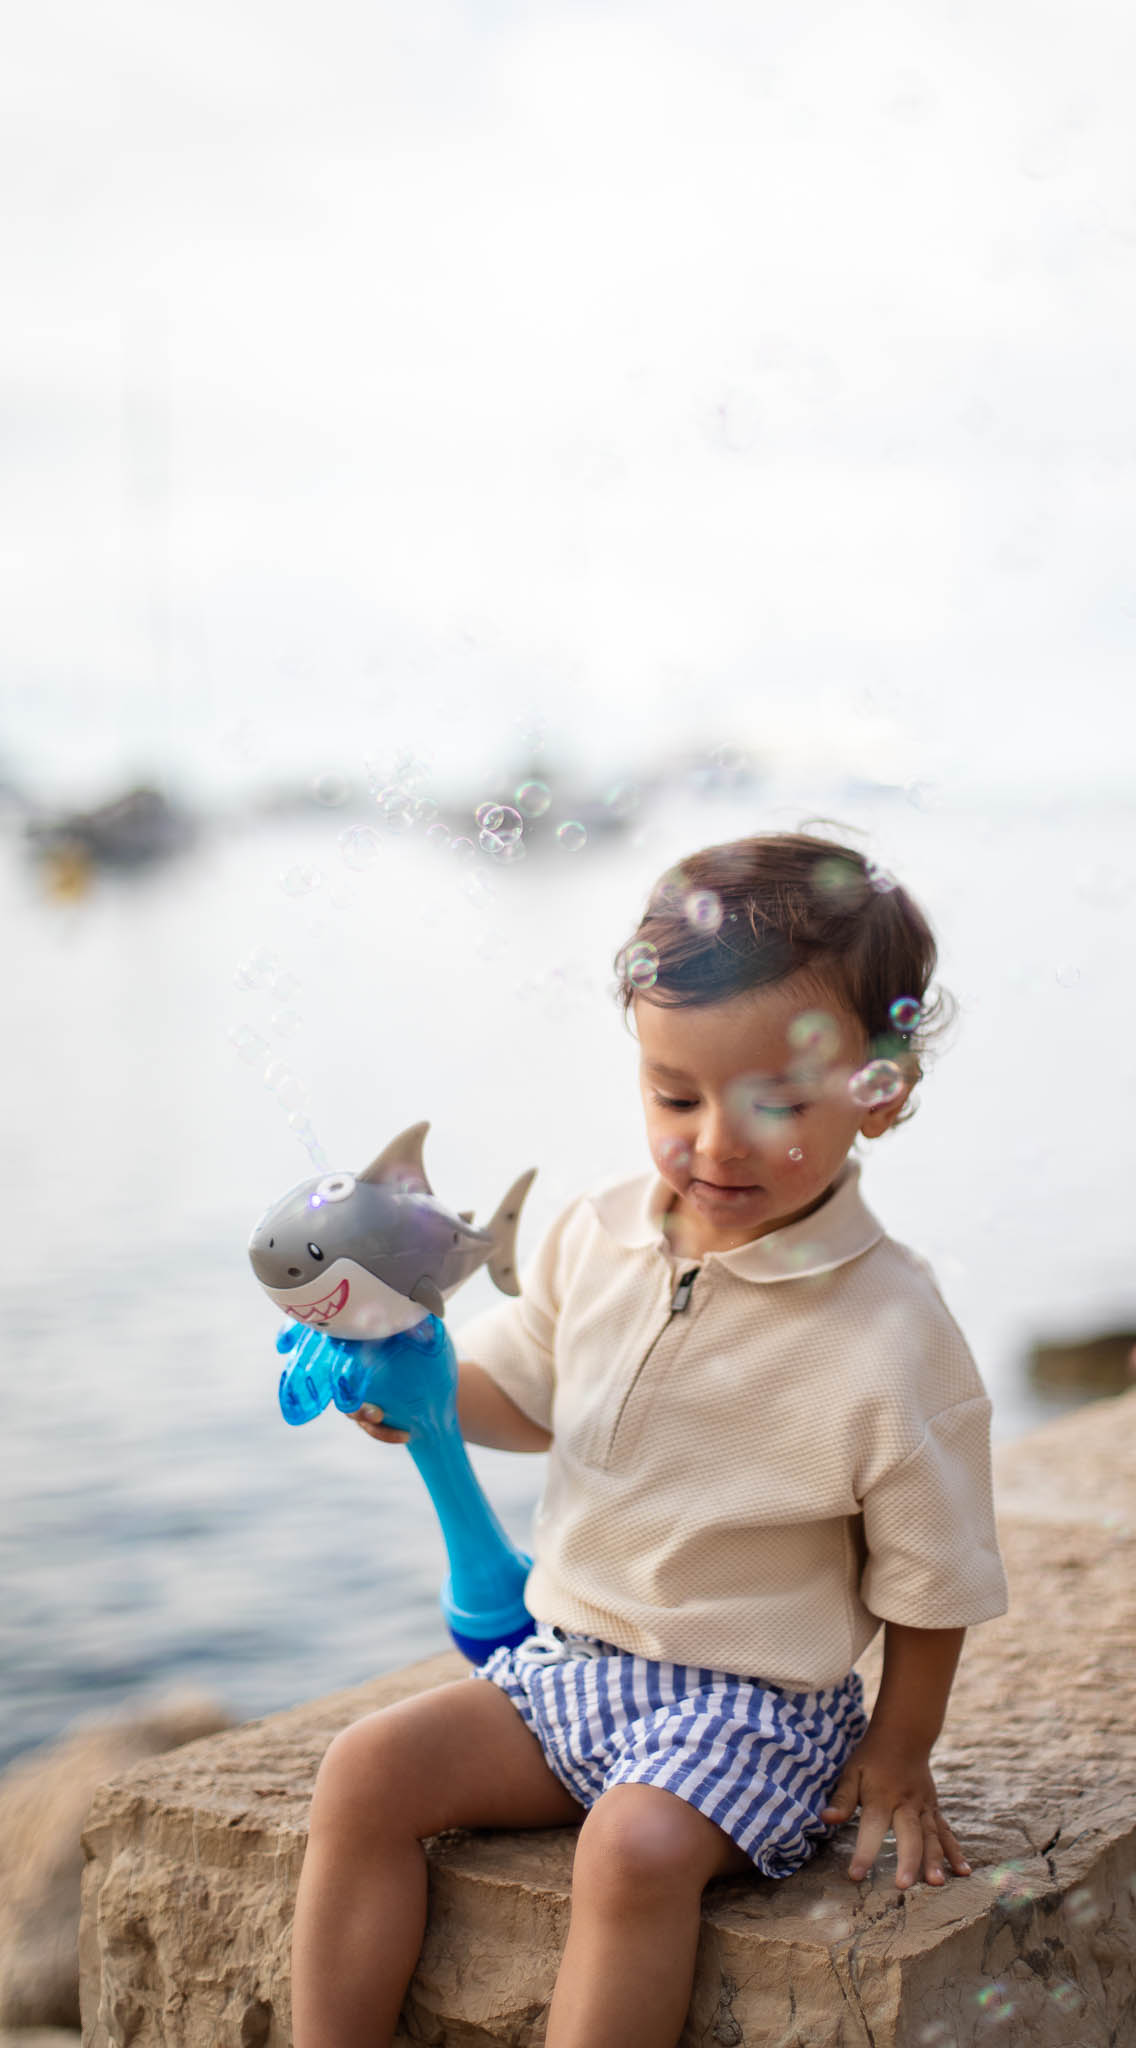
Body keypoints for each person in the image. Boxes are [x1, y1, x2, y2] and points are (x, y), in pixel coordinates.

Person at [290, 829, 1008, 2048]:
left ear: (878, 1093)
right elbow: (527, 1394)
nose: (714, 1142)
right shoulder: (598, 1231)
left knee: (631, 1846)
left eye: (775, 1102)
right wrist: (416, 1390)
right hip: (568, 1670)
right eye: (676, 1095)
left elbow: (934, 1577)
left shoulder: (889, 1329)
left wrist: (899, 1751)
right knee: (364, 1769)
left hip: (753, 1711)